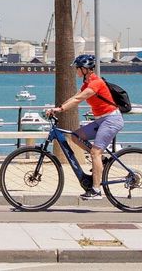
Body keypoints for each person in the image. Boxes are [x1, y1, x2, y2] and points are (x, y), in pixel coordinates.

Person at [44, 53, 122, 201]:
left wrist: (60, 110)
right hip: (101, 120)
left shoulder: (95, 83)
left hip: (111, 120)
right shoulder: (87, 84)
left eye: (77, 68)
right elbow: (74, 97)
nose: (76, 71)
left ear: (85, 69)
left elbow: (79, 99)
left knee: (95, 153)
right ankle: (103, 161)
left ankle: (96, 190)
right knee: (75, 136)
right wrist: (57, 107)